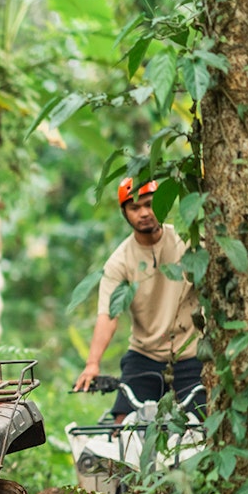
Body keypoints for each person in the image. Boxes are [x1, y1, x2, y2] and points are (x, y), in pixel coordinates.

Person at [73, 176, 204, 421]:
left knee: (206, 424)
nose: (144, 213)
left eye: (149, 204)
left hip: (191, 353)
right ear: (124, 212)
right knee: (122, 424)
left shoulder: (187, 243)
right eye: (135, 207)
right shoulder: (119, 261)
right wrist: (92, 363)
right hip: (146, 355)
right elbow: (109, 314)